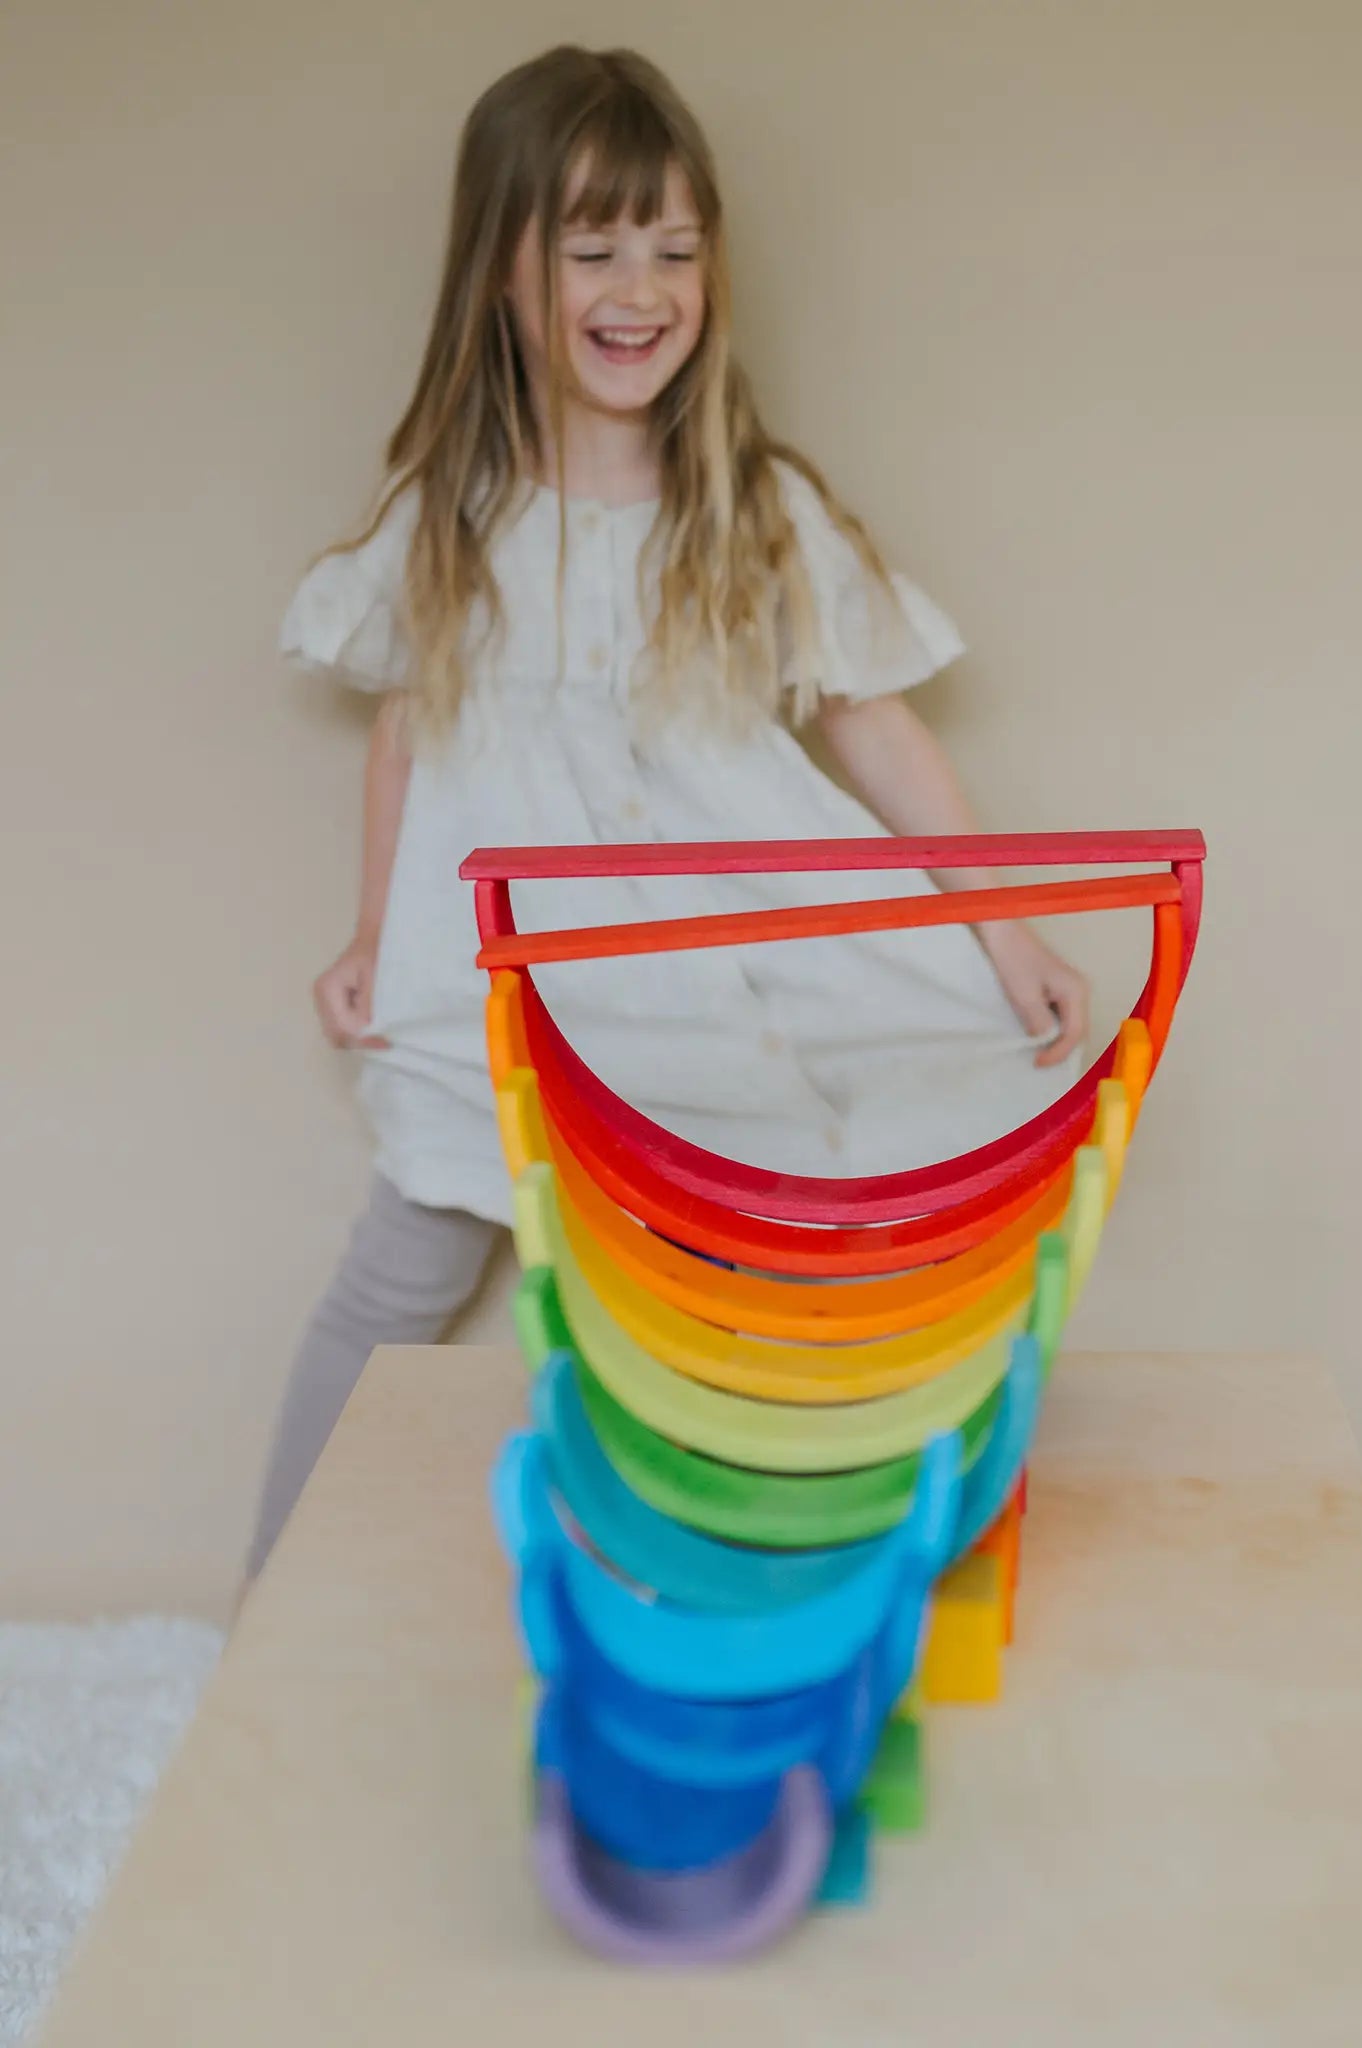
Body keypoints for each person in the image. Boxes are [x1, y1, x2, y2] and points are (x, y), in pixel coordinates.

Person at [246, 45, 1088, 1576]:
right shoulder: (457, 514)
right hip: (509, 976)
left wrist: (1003, 927)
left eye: (674, 249)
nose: (639, 287)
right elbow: (404, 736)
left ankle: (760, 1588)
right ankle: (270, 1603)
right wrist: (375, 933)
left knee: (741, 1295)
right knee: (396, 1277)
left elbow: (873, 727)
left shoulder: (750, 507)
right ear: (501, 271)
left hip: (705, 985)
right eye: (591, 247)